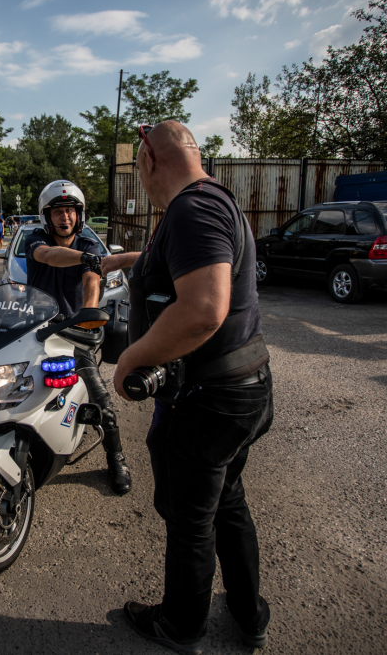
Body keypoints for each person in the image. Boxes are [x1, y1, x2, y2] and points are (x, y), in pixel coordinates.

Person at [102, 122, 274, 652]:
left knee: (191, 519)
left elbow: (203, 309)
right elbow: (190, 270)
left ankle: (181, 626)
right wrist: (129, 262)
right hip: (244, 389)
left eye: (137, 169)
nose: (139, 181)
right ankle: (249, 615)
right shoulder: (213, 199)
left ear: (149, 159)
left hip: (209, 401)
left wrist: (131, 357)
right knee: (229, 502)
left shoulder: (189, 209)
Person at [24, 180, 131, 495]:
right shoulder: (35, 239)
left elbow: (91, 283)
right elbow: (48, 256)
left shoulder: (90, 245)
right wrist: (82, 259)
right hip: (36, 327)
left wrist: (87, 319)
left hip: (72, 330)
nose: (64, 217)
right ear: (47, 216)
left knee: (99, 395)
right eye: (58, 211)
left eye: (70, 210)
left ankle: (116, 457)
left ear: (79, 214)